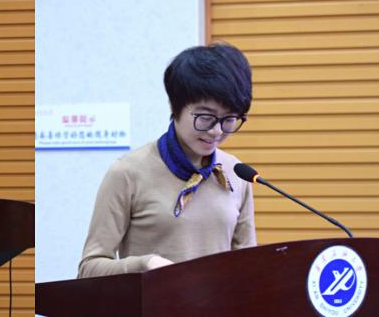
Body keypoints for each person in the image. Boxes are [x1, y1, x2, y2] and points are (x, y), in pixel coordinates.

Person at [78, 42, 256, 278]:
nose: (216, 131)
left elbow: (248, 266)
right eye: (205, 117)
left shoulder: (236, 173)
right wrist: (144, 265)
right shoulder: (128, 173)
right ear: (175, 106)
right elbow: (89, 269)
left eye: (229, 119)